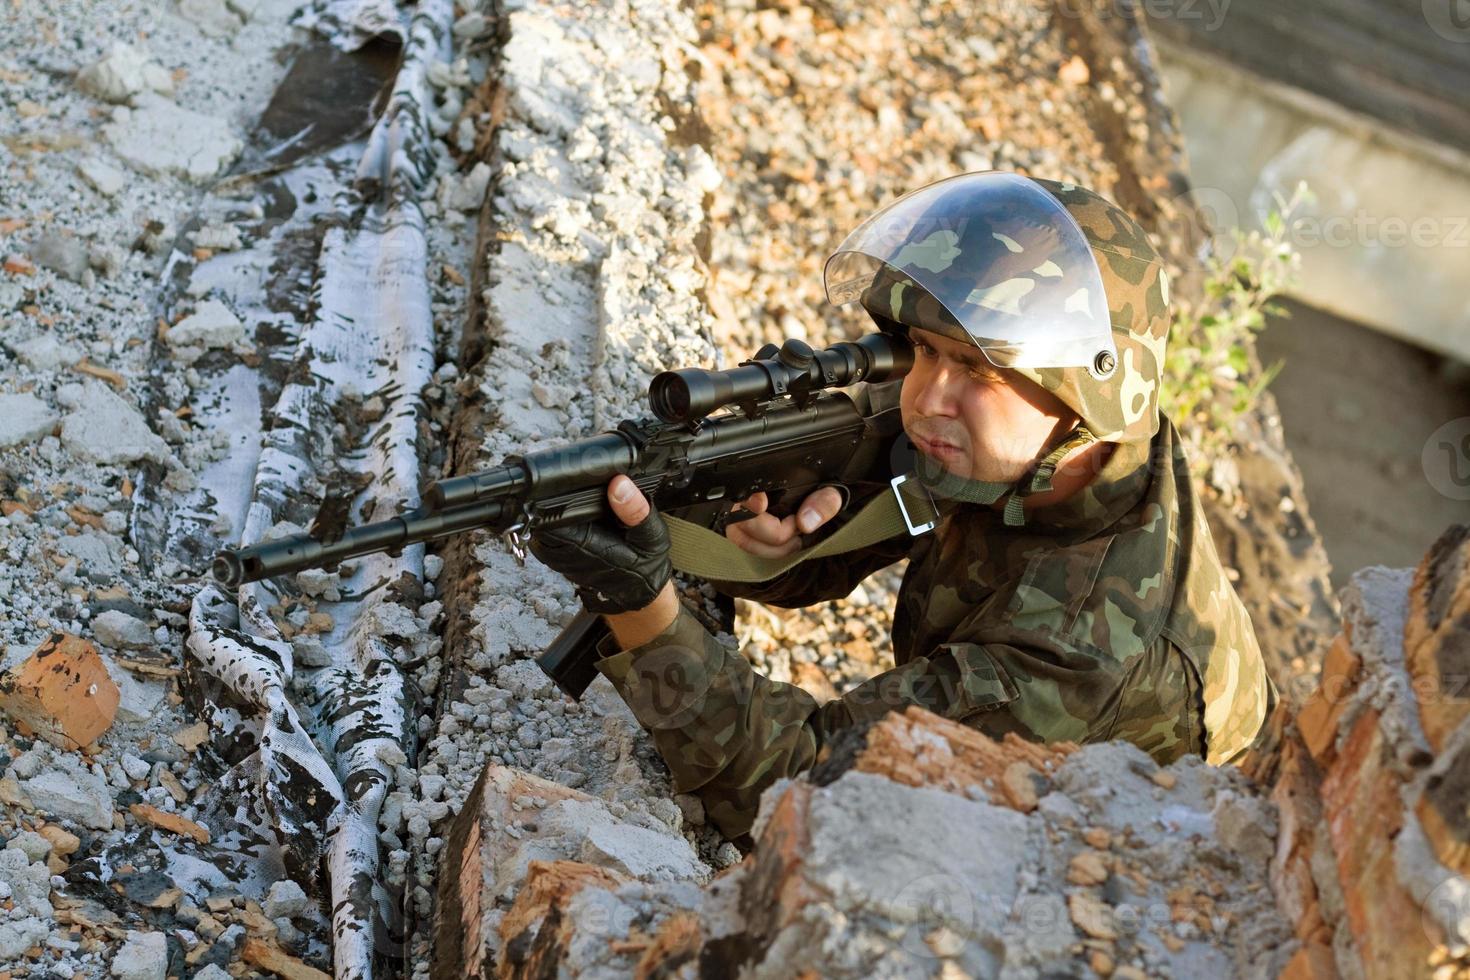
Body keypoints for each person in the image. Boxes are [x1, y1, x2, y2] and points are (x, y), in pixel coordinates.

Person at [529, 171, 1276, 841]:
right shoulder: (1054, 449)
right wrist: (779, 519)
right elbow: (835, 535)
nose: (926, 398)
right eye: (923, 348)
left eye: (977, 368)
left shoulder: (1082, 653)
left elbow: (798, 798)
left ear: (1085, 396)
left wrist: (641, 609)